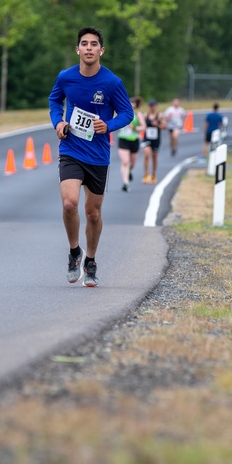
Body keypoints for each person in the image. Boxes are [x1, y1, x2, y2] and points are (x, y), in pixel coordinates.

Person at [49, 27, 133, 287]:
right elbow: (54, 101)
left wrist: (107, 125)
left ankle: (91, 261)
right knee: (69, 204)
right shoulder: (66, 77)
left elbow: (127, 113)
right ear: (77, 49)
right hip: (71, 149)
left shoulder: (111, 82)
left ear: (101, 50)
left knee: (93, 213)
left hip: (97, 155)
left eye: (93, 44)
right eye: (84, 44)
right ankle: (75, 252)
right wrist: (58, 122)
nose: (88, 48)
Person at [116, 96, 144, 191]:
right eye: (130, 103)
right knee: (125, 162)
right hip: (123, 139)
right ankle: (126, 183)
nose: (131, 105)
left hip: (134, 140)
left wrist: (135, 128)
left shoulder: (138, 114)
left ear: (135, 105)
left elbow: (144, 127)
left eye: (133, 103)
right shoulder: (121, 113)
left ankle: (129, 171)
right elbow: (114, 123)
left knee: (132, 164)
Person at [141, 99, 166, 184]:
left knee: (154, 157)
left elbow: (164, 126)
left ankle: (153, 175)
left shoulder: (159, 116)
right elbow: (141, 124)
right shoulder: (146, 115)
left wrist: (157, 125)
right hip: (147, 138)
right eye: (150, 106)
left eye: (153, 106)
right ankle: (146, 174)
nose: (152, 107)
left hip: (156, 139)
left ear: (156, 106)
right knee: (146, 154)